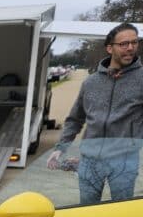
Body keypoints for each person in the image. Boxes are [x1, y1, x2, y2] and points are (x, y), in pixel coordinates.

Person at [47, 22, 143, 204]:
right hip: (90, 160)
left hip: (124, 161)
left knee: (121, 211)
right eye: (124, 44)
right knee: (87, 211)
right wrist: (61, 148)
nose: (130, 48)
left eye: (134, 42)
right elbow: (75, 119)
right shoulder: (91, 83)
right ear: (109, 48)